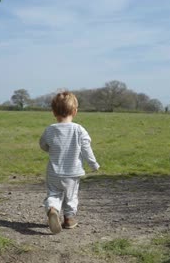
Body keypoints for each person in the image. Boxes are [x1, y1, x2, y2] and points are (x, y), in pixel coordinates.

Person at [39, 91, 100, 234]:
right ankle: (68, 219)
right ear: (75, 111)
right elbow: (86, 149)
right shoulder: (79, 130)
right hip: (72, 173)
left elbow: (43, 145)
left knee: (54, 194)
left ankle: (52, 209)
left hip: (54, 172)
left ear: (54, 112)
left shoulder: (50, 130)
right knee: (71, 196)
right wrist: (93, 164)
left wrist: (50, 149)